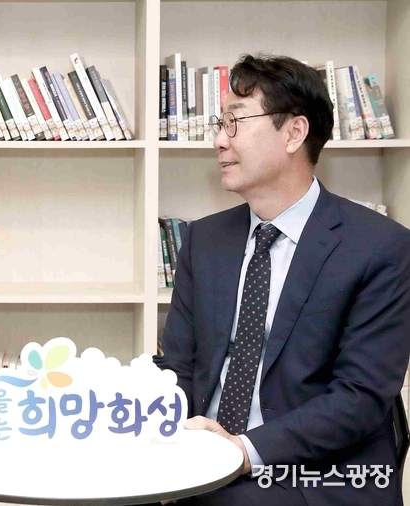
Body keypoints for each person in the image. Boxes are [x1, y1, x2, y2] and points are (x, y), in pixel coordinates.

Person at [154, 54, 410, 506]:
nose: (219, 140)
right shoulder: (204, 239)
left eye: (235, 122)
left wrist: (241, 451)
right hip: (202, 457)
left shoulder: (380, 247)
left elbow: (360, 396)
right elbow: (180, 367)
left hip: (315, 471)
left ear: (294, 132)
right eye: (220, 123)